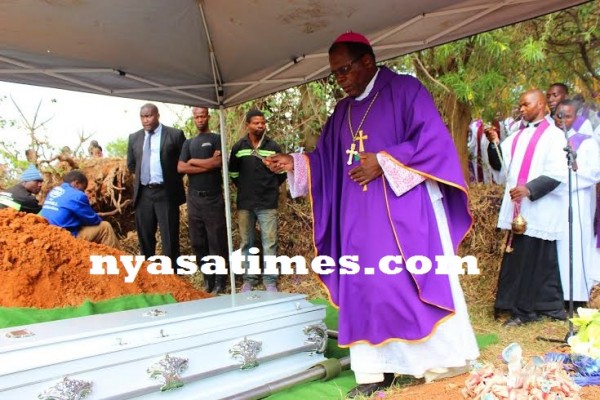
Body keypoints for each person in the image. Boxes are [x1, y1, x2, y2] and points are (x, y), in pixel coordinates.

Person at [266, 32, 478, 397]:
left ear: (368, 61)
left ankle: (430, 364)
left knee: (405, 286)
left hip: (401, 215)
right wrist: (296, 164)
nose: (341, 79)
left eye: (345, 70)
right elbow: (327, 162)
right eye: (335, 74)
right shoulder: (341, 112)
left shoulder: (406, 91)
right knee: (364, 288)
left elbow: (433, 143)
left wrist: (383, 160)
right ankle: (375, 372)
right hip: (356, 221)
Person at [488, 89, 568, 326]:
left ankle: (525, 311)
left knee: (535, 260)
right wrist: (493, 145)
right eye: (520, 105)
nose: (521, 109)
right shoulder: (516, 136)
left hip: (539, 208)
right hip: (519, 211)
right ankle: (524, 304)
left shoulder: (555, 136)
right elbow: (501, 167)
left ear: (541, 105)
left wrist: (529, 189)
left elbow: (557, 172)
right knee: (520, 258)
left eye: (526, 104)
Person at [228, 109, 286, 293]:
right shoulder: (239, 147)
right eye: (256, 123)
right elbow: (233, 174)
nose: (260, 126)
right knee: (247, 243)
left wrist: (269, 186)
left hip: (268, 203)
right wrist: (246, 187)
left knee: (269, 242)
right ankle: (249, 279)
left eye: (262, 122)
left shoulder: (273, 146)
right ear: (247, 125)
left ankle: (270, 280)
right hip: (245, 203)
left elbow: (282, 173)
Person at [127, 103, 186, 265]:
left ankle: (173, 274)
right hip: (144, 193)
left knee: (169, 236)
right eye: (142, 117)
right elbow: (132, 165)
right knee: (145, 236)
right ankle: (149, 274)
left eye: (149, 116)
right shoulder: (134, 137)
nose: (145, 120)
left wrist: (171, 179)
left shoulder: (174, 135)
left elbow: (183, 162)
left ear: (157, 116)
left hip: (166, 192)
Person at [553, 100, 600, 304]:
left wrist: (563, 180)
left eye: (568, 116)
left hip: (576, 199)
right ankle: (551, 294)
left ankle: (576, 295)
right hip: (552, 202)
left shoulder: (586, 142)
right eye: (558, 116)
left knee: (574, 244)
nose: (562, 120)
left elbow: (594, 172)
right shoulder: (547, 141)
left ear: (575, 118)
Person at [178, 107, 228, 294]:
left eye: (202, 116)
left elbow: (217, 163)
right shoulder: (189, 143)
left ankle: (221, 281)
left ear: (208, 117)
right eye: (196, 117)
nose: (199, 119)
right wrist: (204, 164)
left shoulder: (216, 139)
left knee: (217, 241)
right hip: (194, 199)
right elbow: (180, 167)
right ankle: (208, 278)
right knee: (198, 241)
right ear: (193, 118)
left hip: (213, 198)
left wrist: (193, 162)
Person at [40, 170, 119, 248]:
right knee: (105, 227)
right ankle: (117, 258)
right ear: (76, 183)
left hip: (47, 233)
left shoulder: (54, 190)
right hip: (63, 237)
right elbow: (92, 220)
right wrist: (97, 218)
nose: (83, 191)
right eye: (83, 188)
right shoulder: (77, 195)